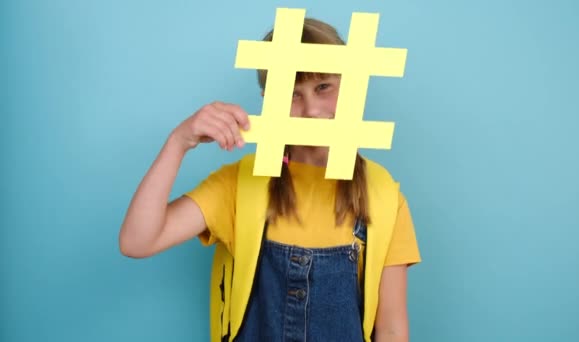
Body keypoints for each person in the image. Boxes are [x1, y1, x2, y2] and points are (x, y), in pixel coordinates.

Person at [119, 17, 421, 342]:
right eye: (292, 94)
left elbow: (390, 329)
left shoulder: (384, 196)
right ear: (268, 99)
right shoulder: (241, 185)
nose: (310, 109)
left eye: (323, 87)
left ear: (352, 85)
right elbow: (137, 241)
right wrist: (179, 141)